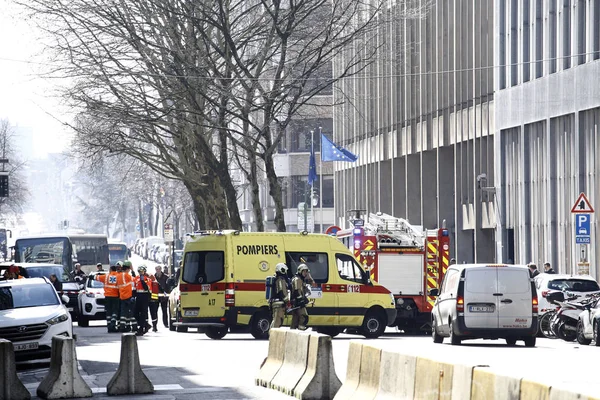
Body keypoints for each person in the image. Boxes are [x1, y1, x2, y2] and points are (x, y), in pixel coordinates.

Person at [95, 265, 121, 332]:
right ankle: (113, 323)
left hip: (107, 296)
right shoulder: (119, 276)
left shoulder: (106, 276)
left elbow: (96, 277)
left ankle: (109, 326)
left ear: (110, 269)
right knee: (115, 311)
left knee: (108, 311)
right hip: (115, 296)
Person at [290, 264, 311, 330]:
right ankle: (300, 330)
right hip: (297, 302)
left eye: (306, 271)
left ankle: (292, 332)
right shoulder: (298, 279)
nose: (306, 273)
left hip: (295, 301)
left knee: (295, 319)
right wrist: (301, 301)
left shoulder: (300, 279)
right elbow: (297, 291)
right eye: (304, 271)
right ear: (300, 271)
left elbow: (301, 290)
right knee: (304, 316)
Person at [270, 263, 290, 329]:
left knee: (276, 320)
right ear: (282, 270)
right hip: (279, 304)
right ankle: (273, 336)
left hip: (277, 303)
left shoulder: (277, 279)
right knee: (278, 321)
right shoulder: (280, 279)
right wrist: (288, 301)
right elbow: (282, 291)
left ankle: (272, 335)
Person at [117, 262, 136, 333]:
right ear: (127, 269)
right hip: (129, 296)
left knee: (123, 313)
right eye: (129, 270)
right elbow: (135, 280)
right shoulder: (127, 276)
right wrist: (133, 271)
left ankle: (123, 326)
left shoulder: (118, 276)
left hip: (122, 296)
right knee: (131, 313)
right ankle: (134, 326)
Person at [133, 265, 151, 336]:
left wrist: (143, 281)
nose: (141, 273)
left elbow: (146, 288)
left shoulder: (147, 279)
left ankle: (141, 329)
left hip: (145, 296)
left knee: (143, 313)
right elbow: (134, 288)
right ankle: (145, 325)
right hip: (138, 296)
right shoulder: (136, 278)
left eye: (142, 271)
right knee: (135, 313)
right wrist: (133, 296)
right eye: (139, 271)